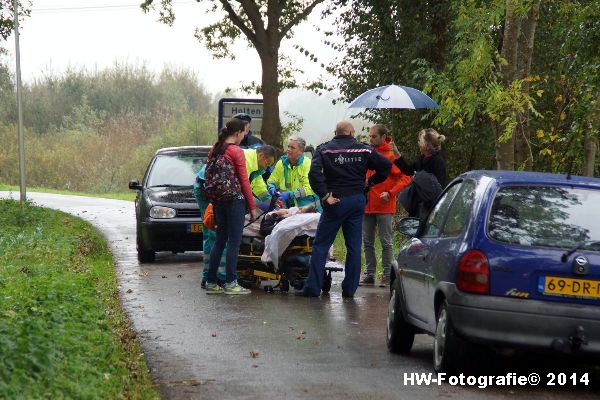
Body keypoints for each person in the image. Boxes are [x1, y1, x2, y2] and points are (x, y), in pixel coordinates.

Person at [300, 121, 391, 298]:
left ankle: (313, 288)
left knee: (321, 245)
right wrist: (370, 183)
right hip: (356, 201)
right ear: (350, 132)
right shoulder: (363, 149)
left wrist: (325, 196)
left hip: (335, 201)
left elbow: (314, 174)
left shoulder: (324, 149)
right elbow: (386, 166)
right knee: (354, 246)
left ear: (336, 132)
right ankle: (349, 290)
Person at [204, 118, 259, 295]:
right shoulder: (236, 151)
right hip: (235, 200)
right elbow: (244, 181)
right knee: (234, 242)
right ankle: (231, 282)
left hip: (219, 201)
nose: (245, 136)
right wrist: (252, 206)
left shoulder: (215, 149)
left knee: (219, 240)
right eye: (244, 132)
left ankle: (211, 282)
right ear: (237, 133)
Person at [361, 125, 412, 288]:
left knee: (386, 242)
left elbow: (406, 177)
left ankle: (386, 274)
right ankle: (369, 274)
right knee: (367, 241)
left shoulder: (390, 155)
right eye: (369, 136)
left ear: (384, 137)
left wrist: (390, 193)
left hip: (384, 204)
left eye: (374, 136)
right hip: (367, 204)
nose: (371, 139)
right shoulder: (367, 153)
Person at [393, 128, 447, 218]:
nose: (418, 143)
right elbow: (408, 170)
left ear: (426, 143)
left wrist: (418, 178)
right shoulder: (423, 158)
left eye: (420, 141)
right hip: (418, 205)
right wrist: (396, 152)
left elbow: (437, 187)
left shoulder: (437, 161)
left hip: (429, 207)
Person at [267, 136, 319, 209]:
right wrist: (271, 187)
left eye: (292, 148)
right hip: (289, 207)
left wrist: (291, 195)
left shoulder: (308, 164)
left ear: (301, 151)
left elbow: (310, 188)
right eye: (288, 146)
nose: (288, 149)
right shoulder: (281, 163)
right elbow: (272, 179)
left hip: (308, 207)